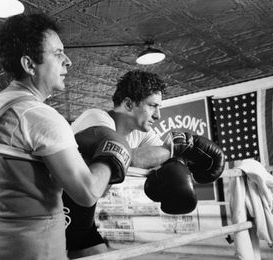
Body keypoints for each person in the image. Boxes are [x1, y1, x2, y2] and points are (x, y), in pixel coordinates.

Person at [0, 13, 131, 260]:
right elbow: (87, 193)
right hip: (31, 251)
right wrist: (113, 155)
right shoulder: (39, 115)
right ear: (29, 64)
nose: (68, 61)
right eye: (57, 53)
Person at [64, 70, 225, 258]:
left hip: (84, 213)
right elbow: (122, 155)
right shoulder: (96, 118)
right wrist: (178, 148)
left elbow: (164, 157)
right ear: (128, 104)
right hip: (58, 204)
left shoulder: (140, 133)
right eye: (152, 106)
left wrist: (179, 159)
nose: (158, 115)